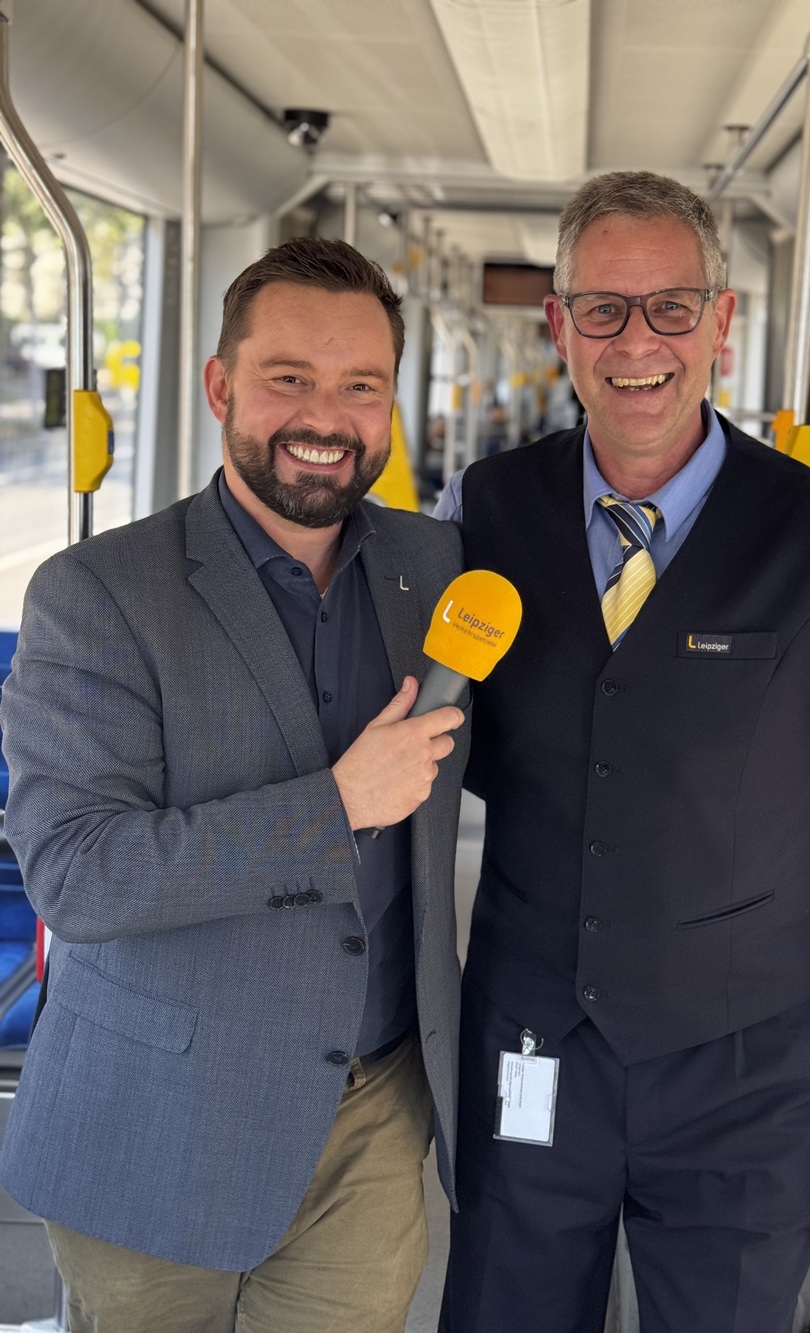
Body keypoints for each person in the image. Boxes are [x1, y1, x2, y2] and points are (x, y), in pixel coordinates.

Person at [434, 172, 810, 1333]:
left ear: (721, 321)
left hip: (748, 1077)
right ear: (558, 322)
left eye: (671, 306)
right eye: (603, 309)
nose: (638, 344)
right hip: (533, 1046)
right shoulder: (480, 513)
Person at [0, 237, 468, 1333]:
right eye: (288, 377)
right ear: (220, 386)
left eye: (360, 386)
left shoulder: (436, 570)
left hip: (369, 1111)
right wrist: (335, 808)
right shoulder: (97, 593)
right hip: (157, 1115)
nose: (326, 417)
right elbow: (80, 875)